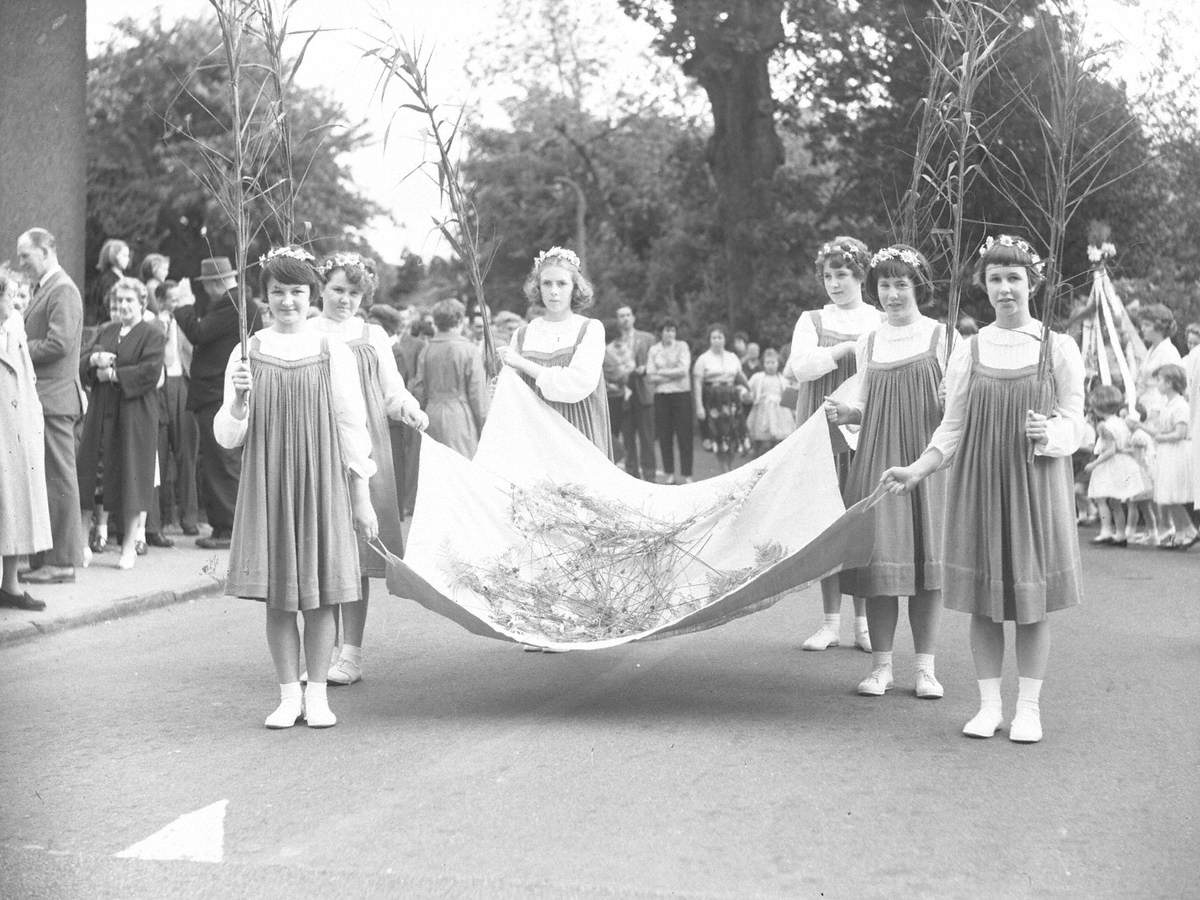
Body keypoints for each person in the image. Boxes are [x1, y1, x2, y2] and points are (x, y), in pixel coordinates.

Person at [882, 235, 1086, 744]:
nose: (1004, 288)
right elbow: (951, 430)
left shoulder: (1056, 347)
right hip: (979, 483)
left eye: (1014, 278)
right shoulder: (969, 350)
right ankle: (989, 705)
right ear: (985, 287)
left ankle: (1029, 709)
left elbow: (1079, 423)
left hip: (1034, 485)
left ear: (1033, 283)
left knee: (1031, 601)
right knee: (983, 603)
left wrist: (1052, 435)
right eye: (995, 279)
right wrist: (916, 469)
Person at [216, 246, 378, 729]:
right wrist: (240, 402)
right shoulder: (246, 351)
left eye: (297, 292)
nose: (288, 301)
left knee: (323, 594)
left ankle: (319, 694)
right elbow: (227, 436)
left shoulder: (333, 352)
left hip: (321, 478)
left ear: (311, 297)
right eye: (278, 292)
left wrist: (361, 495)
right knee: (280, 596)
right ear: (264, 296)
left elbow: (352, 425)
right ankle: (289, 696)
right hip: (268, 483)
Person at [826, 245, 947, 699]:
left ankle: (925, 668)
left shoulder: (942, 336)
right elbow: (871, 404)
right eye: (885, 285)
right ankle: (881, 667)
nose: (893, 294)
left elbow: (954, 410)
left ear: (918, 287)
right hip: (877, 460)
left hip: (924, 462)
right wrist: (848, 413)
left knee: (924, 565)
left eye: (902, 284)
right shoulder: (869, 342)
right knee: (880, 565)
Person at [313, 251, 428, 685]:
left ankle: (351, 654)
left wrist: (409, 409)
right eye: (338, 290)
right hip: (317, 445)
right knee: (322, 551)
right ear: (322, 288)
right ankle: (321, 648)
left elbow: (391, 390)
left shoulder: (372, 334)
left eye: (354, 293)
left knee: (358, 556)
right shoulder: (306, 331)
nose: (345, 300)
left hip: (367, 446)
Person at [786, 236, 881, 653]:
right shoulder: (812, 320)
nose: (835, 284)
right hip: (822, 425)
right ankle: (829, 622)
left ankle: (862, 621)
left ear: (860, 275)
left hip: (865, 423)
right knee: (825, 518)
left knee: (860, 517)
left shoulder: (879, 320)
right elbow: (801, 368)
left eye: (842, 275)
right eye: (828, 276)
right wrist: (842, 348)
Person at [76, 278, 165, 569]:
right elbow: (82, 362)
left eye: (129, 300)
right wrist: (94, 359)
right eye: (118, 301)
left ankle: (128, 546)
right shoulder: (107, 329)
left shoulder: (151, 334)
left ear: (141, 302)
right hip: (102, 413)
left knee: (132, 476)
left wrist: (112, 375)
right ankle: (80, 544)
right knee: (92, 474)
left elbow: (150, 372)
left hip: (134, 415)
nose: (123, 306)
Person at [174, 257, 262, 549]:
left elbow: (198, 333)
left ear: (214, 282)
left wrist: (182, 305)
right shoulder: (239, 301)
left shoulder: (233, 303)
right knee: (222, 461)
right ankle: (229, 526)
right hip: (221, 391)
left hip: (216, 392)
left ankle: (228, 529)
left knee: (220, 461)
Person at [16, 228, 85, 585]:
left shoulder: (63, 290)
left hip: (55, 399)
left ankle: (62, 561)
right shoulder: (49, 288)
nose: (21, 262)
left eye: (26, 255)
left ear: (45, 251)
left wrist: (19, 347)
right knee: (48, 478)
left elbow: (59, 343)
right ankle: (48, 558)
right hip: (47, 398)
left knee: (59, 477)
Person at [499, 246, 612, 457]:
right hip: (536, 440)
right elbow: (511, 394)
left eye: (562, 283)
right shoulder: (523, 334)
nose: (553, 291)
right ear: (538, 288)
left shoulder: (590, 328)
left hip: (577, 434)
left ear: (575, 288)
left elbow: (576, 383)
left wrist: (522, 363)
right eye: (547, 283)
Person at [0, 268, 52, 610]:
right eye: (10, 295)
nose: (16, 302)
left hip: (15, 431)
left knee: (13, 506)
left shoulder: (13, 329)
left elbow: (26, 380)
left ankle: (11, 584)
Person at [411, 297, 487, 458]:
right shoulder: (469, 350)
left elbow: (419, 390)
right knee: (461, 470)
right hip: (460, 416)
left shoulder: (426, 350)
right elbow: (477, 395)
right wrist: (484, 428)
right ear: (460, 320)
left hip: (431, 415)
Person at [154, 280, 199, 536]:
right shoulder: (154, 323)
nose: (174, 304)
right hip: (160, 388)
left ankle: (189, 519)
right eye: (170, 299)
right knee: (159, 457)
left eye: (177, 300)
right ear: (160, 301)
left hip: (183, 385)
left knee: (187, 455)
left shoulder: (186, 322)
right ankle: (160, 520)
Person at [1137, 364, 1196, 549]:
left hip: (1176, 453)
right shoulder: (1165, 404)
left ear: (1170, 383)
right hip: (1166, 452)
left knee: (1173, 495)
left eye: (1161, 380)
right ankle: (1180, 533)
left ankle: (1189, 531)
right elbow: (1158, 428)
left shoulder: (1180, 404)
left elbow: (1180, 432)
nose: (1158, 384)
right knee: (1167, 496)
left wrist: (1160, 437)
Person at [1084, 384, 1147, 546]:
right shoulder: (1121, 422)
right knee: (1115, 501)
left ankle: (1106, 530)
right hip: (1122, 463)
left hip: (1110, 464)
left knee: (1100, 499)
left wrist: (1094, 464)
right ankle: (1120, 533)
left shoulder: (1106, 427)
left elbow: (1110, 450)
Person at [691, 323, 747, 474]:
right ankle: (724, 470)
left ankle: (730, 467)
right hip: (713, 400)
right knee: (719, 435)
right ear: (709, 340)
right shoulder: (703, 359)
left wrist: (748, 390)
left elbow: (740, 378)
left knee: (733, 435)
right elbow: (697, 384)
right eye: (714, 337)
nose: (717, 340)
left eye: (720, 337)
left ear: (725, 339)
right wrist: (699, 406)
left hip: (732, 401)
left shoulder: (732, 357)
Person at [646, 319, 694, 483]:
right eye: (666, 330)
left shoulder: (683, 346)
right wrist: (670, 374)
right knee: (665, 435)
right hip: (662, 396)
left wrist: (662, 373)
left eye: (672, 330)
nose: (670, 334)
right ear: (661, 332)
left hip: (681, 394)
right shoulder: (654, 350)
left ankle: (687, 474)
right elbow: (650, 375)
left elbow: (683, 370)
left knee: (684, 435)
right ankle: (669, 473)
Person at [615, 305, 658, 479]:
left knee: (647, 437)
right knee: (627, 437)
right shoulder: (613, 342)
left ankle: (650, 476)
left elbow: (657, 361)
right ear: (618, 320)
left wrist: (646, 369)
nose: (625, 318)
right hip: (622, 393)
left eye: (627, 315)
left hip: (643, 390)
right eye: (621, 316)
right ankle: (632, 476)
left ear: (633, 318)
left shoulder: (648, 338)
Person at [746, 348, 795, 458]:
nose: (770, 365)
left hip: (780, 412)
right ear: (763, 364)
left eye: (773, 362)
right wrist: (747, 395)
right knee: (763, 440)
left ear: (778, 364)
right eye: (767, 363)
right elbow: (748, 389)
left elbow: (788, 396)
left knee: (780, 440)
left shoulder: (782, 379)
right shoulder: (758, 378)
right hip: (763, 411)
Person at [86, 238, 130, 328]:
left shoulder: (116, 277)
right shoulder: (109, 280)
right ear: (114, 257)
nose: (128, 259)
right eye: (124, 256)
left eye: (128, 256)